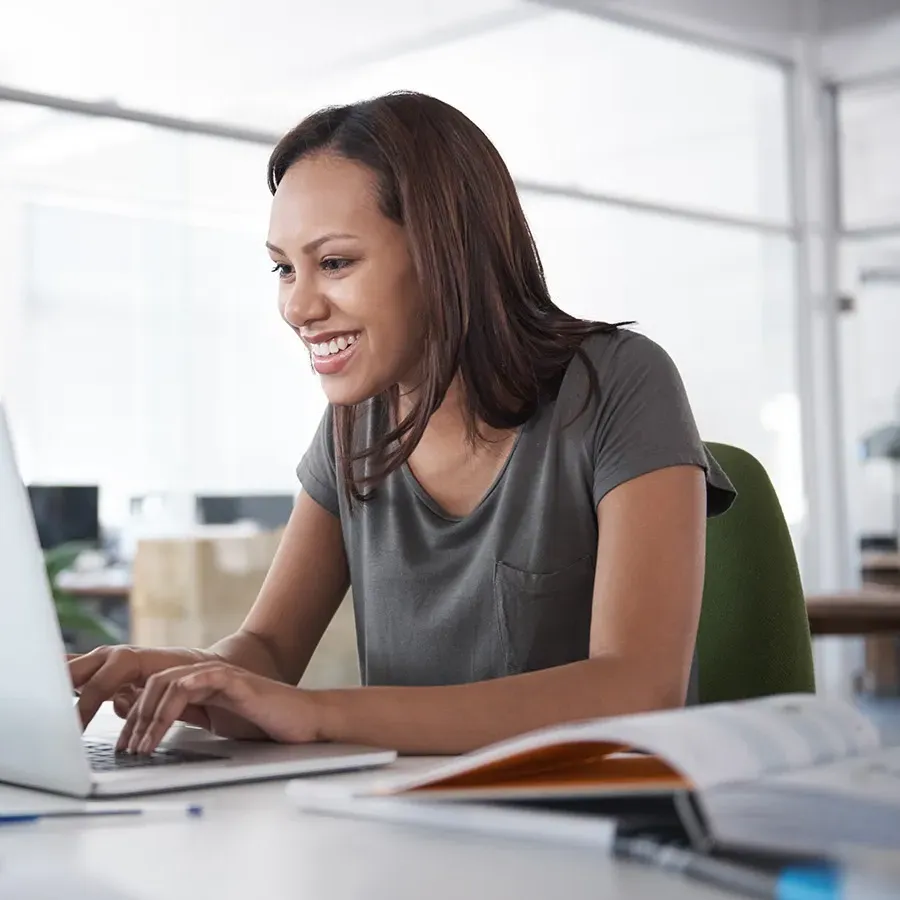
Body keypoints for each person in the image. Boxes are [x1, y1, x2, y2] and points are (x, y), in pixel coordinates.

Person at [69, 91, 735, 758]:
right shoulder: (351, 427)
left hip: (601, 829)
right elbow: (269, 650)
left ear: (446, 254)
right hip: (405, 824)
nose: (297, 306)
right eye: (283, 267)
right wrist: (180, 674)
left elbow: (639, 689)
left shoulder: (618, 383)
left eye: (334, 262)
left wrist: (320, 714)